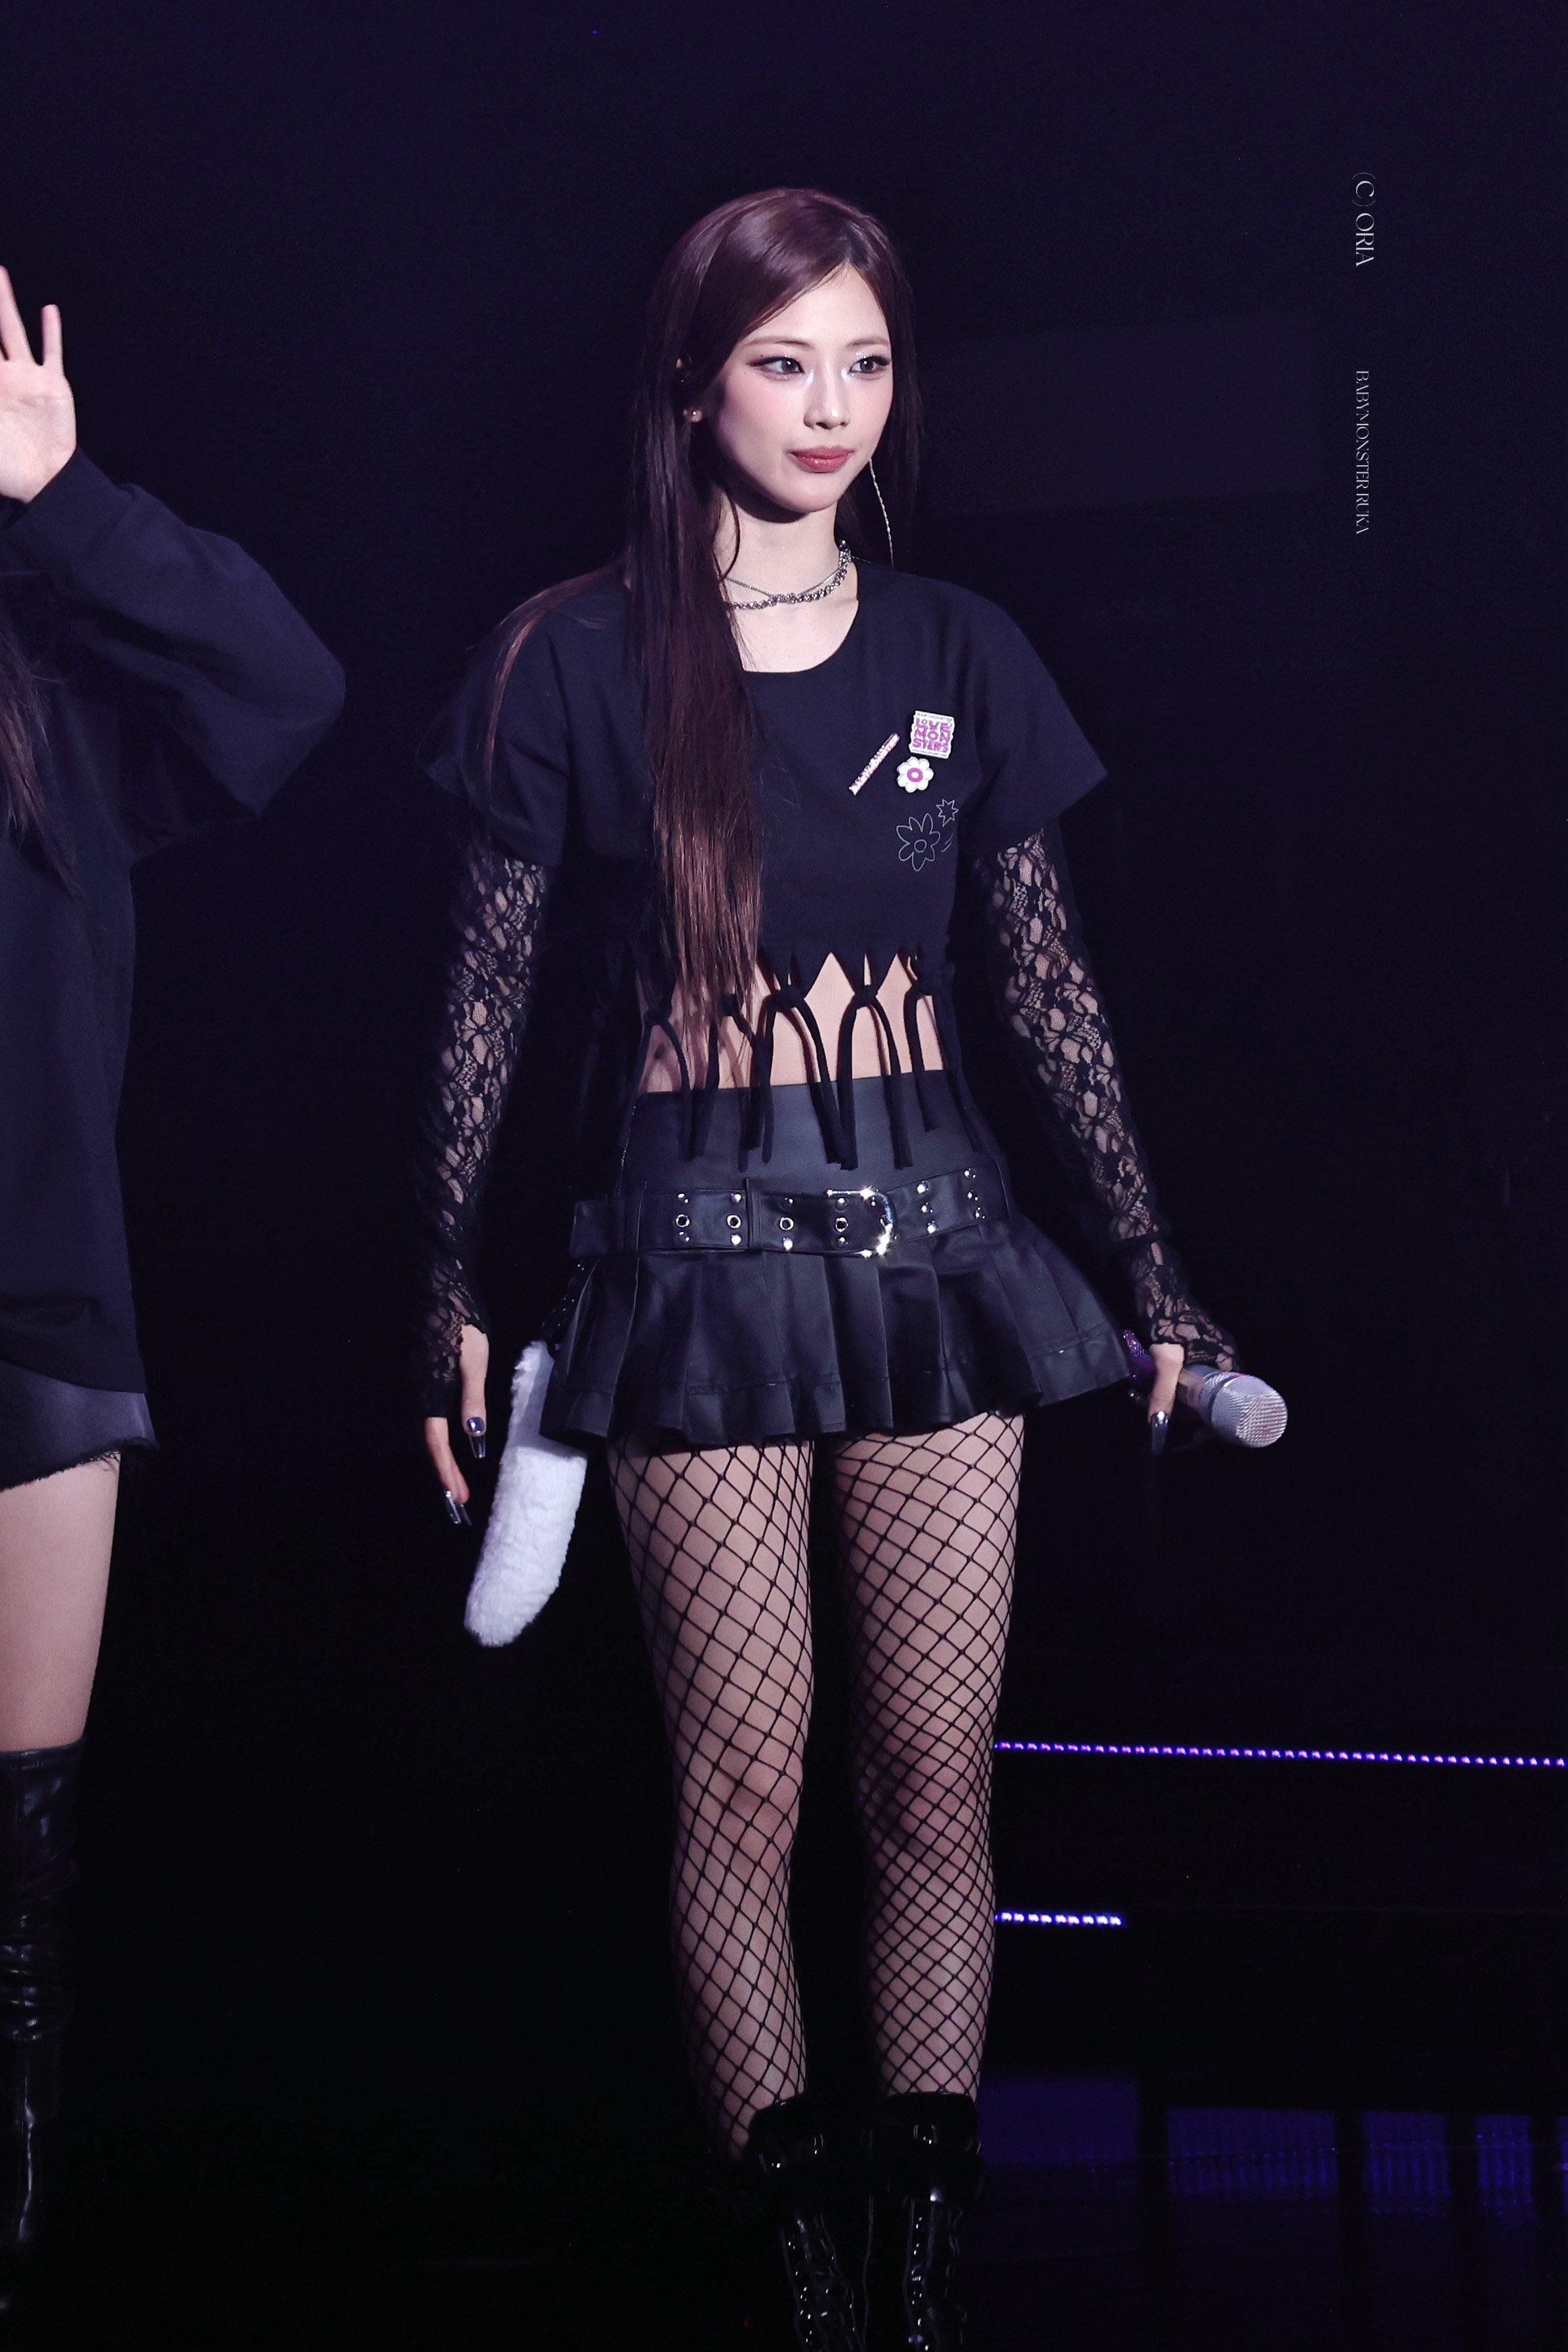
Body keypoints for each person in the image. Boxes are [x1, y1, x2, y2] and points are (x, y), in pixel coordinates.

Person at [415, 190, 1235, 2351]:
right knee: (746, 1787)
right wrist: (444, 1286)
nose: (831, 404)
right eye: (786, 361)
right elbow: (486, 1007)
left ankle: (923, 2290)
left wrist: (1157, 1272)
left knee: (933, 1786)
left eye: (865, 362)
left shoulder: (963, 647)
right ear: (696, 379)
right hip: (691, 1270)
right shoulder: (568, 657)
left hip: (941, 1259)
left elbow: (1050, 990)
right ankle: (800, 2292)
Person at [0, 266, 344, 2310]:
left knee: (18, 1871)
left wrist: (63, 496)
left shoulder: (51, 713)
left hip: (34, 1326)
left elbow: (282, 690)